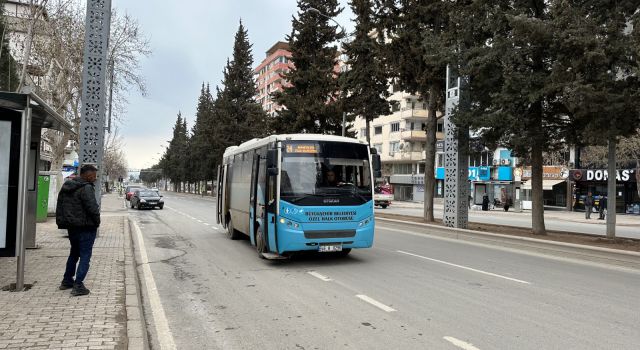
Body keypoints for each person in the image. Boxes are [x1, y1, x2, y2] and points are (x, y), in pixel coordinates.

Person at [56, 164, 101, 296]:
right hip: (86, 227)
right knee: (85, 256)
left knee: (74, 254)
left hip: (72, 227)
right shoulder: (86, 188)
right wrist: (97, 222)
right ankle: (78, 285)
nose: (95, 178)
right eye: (94, 175)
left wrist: (64, 222)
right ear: (88, 175)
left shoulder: (67, 186)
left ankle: (67, 281)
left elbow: (60, 206)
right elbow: (92, 208)